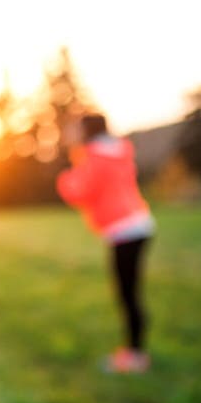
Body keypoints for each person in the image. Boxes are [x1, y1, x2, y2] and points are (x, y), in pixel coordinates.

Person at [56, 113, 154, 373]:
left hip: (124, 230)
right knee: (131, 293)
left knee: (128, 295)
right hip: (139, 224)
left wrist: (64, 178)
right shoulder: (118, 151)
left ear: (87, 131)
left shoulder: (94, 157)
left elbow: (78, 192)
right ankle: (135, 351)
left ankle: (135, 355)